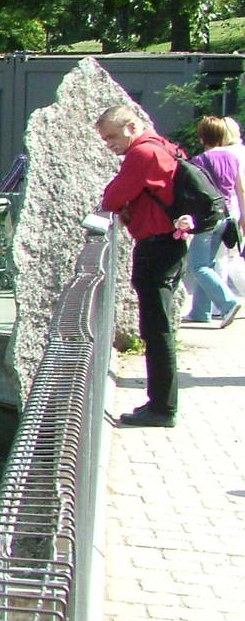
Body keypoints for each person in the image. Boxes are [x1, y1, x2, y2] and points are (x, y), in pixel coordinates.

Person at [96, 103, 192, 427]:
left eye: (111, 137)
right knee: (157, 327)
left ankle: (162, 408)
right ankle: (159, 403)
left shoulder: (142, 154)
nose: (110, 144)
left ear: (132, 127)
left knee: (156, 328)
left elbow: (111, 197)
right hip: (168, 245)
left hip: (156, 247)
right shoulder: (164, 147)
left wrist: (123, 204)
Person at [185, 116, 243, 326]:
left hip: (207, 218)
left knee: (197, 266)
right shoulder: (232, 158)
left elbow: (195, 192)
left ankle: (227, 302)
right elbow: (240, 189)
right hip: (228, 216)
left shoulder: (199, 161)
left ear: (202, 137)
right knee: (207, 263)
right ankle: (200, 312)